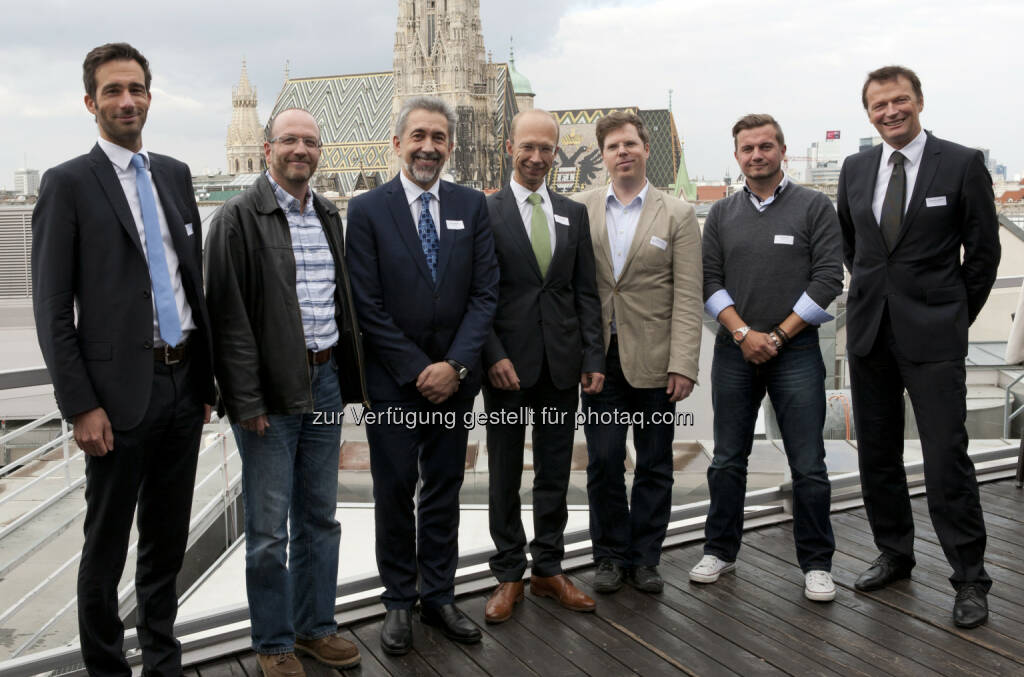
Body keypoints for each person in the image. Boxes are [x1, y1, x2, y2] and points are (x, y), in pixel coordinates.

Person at [31, 42, 215, 676]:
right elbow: (53, 309)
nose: (126, 100)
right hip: (115, 401)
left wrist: (206, 377)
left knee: (166, 543)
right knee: (105, 549)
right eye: (112, 90)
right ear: (91, 103)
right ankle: (107, 669)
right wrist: (80, 404)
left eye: (135, 88)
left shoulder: (175, 173)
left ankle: (163, 662)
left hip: (184, 386)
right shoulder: (67, 184)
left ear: (149, 96)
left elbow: (190, 280)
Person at [205, 107, 367, 675]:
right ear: (267, 147)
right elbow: (227, 319)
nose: (301, 149)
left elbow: (338, 304)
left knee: (320, 517)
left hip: (323, 383)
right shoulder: (236, 218)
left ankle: (315, 629)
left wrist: (348, 378)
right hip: (270, 393)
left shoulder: (327, 214)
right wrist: (244, 400)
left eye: (311, 142)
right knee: (269, 530)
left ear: (320, 152)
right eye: (290, 140)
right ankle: (273, 643)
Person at [838, 65, 1001, 628]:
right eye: (879, 105)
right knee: (877, 454)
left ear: (920, 101)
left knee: (946, 457)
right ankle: (895, 554)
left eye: (900, 101)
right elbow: (854, 246)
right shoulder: (856, 168)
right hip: (868, 334)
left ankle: (970, 579)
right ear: (868, 113)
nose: (891, 112)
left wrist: (952, 317)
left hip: (934, 336)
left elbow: (983, 257)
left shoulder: (960, 163)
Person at [345, 96, 499, 654]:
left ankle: (438, 596)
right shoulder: (365, 210)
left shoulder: (471, 206)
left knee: (444, 489)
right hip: (393, 382)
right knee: (393, 488)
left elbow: (485, 295)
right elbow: (366, 305)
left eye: (438, 137)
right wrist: (418, 370)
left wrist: (454, 366)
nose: (428, 147)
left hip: (455, 382)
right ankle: (397, 603)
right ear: (398, 144)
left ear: (450, 146)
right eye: (418, 137)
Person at [689, 114, 843, 601]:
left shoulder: (815, 206)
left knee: (808, 463)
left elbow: (827, 280)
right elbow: (708, 281)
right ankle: (720, 551)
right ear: (736, 156)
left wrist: (776, 335)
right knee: (728, 459)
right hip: (735, 352)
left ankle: (817, 563)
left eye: (765, 146)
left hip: (795, 351)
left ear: (781, 150)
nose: (757, 155)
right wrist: (742, 333)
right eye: (747, 148)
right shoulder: (720, 214)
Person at [480, 109, 605, 623]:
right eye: (527, 147)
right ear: (510, 148)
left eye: (546, 149)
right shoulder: (484, 212)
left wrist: (593, 356)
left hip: (561, 367)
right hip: (506, 369)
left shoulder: (572, 214)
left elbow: (584, 292)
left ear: (557, 153)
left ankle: (549, 569)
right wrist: (492, 355)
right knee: (505, 474)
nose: (536, 158)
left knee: (554, 473)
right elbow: (478, 295)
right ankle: (509, 574)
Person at [573, 111, 703, 594]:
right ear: (602, 156)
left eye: (630, 144)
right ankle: (608, 555)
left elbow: (688, 294)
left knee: (654, 462)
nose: (623, 152)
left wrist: (684, 363)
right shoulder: (580, 207)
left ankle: (646, 557)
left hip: (656, 359)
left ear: (647, 150)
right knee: (604, 461)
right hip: (599, 360)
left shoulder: (678, 213)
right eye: (613, 147)